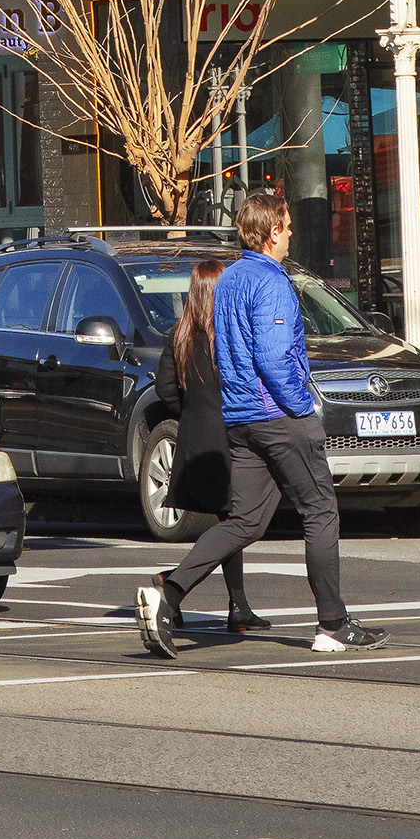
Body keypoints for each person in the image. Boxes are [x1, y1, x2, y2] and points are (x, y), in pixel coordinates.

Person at [134, 185, 381, 658]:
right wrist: (301, 406)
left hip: (241, 420)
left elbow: (228, 352)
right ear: (271, 233)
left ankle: (170, 592)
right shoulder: (272, 282)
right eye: (286, 228)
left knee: (243, 521)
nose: (290, 236)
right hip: (279, 417)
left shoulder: (227, 281)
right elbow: (272, 357)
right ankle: (332, 624)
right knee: (320, 512)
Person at [148, 257, 276, 641]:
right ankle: (171, 585)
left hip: (195, 439)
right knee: (240, 522)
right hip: (231, 438)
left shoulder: (179, 333)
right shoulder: (230, 333)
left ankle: (237, 606)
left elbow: (164, 391)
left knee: (231, 522)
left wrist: (191, 413)